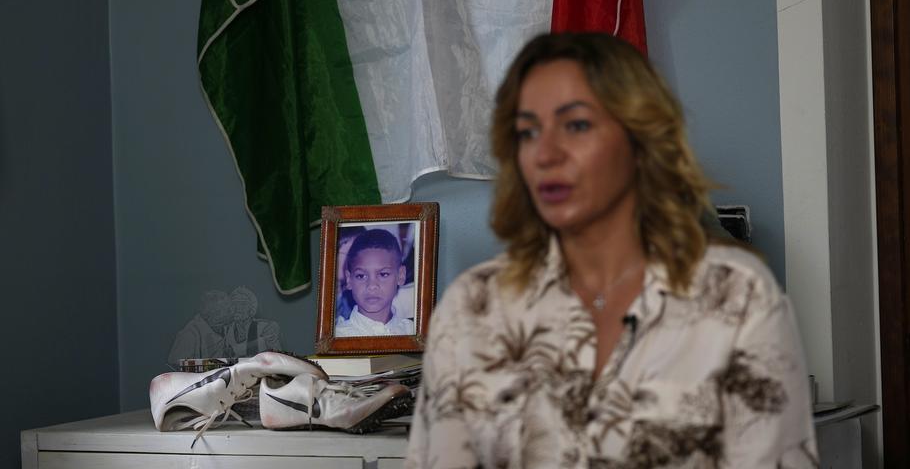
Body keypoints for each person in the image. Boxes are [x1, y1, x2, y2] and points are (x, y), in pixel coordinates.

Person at [406, 33, 817, 467]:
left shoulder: (737, 297)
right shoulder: (471, 308)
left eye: (577, 125)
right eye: (528, 131)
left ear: (640, 141)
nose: (546, 153)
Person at [335, 228, 416, 337]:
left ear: (401, 275)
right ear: (349, 279)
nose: (372, 286)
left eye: (383, 274)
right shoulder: (338, 336)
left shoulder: (413, 332)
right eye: (361, 276)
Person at [224, 286, 282, 357]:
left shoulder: (264, 327)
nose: (237, 308)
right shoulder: (226, 331)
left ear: (251, 308)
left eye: (242, 304)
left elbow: (278, 356)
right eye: (234, 304)